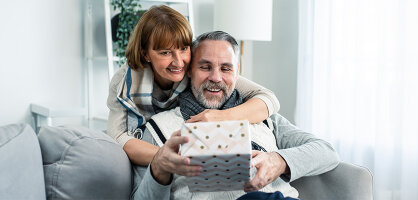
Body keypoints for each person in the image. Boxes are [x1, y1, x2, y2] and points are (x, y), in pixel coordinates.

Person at [130, 31, 339, 199]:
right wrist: (158, 168)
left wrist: (280, 160)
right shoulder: (159, 128)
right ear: (190, 71)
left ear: (237, 72)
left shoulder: (264, 118)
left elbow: (327, 152)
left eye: (226, 68)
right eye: (205, 67)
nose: (216, 77)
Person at [106, 5, 280, 166]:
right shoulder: (124, 83)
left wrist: (222, 117)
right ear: (146, 54)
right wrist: (173, 157)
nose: (178, 62)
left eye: (183, 48)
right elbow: (118, 137)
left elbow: (268, 98)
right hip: (158, 144)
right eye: (165, 52)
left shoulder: (198, 68)